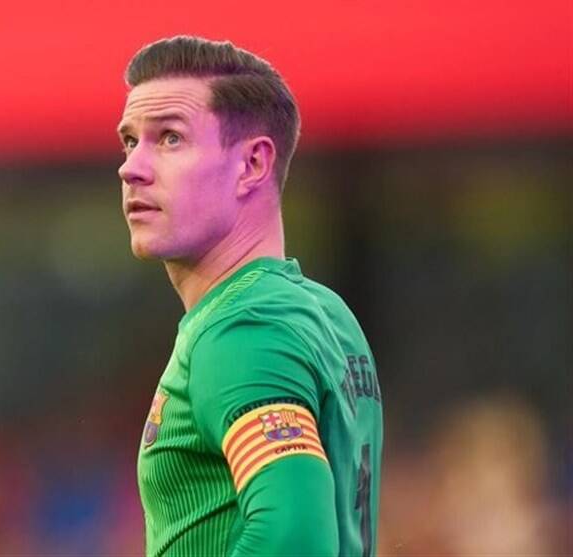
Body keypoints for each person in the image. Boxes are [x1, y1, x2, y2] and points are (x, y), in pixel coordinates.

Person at [117, 35, 383, 556]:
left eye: (169, 138)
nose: (132, 167)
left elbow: (294, 540)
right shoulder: (324, 314)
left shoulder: (244, 327)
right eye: (130, 141)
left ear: (252, 165)